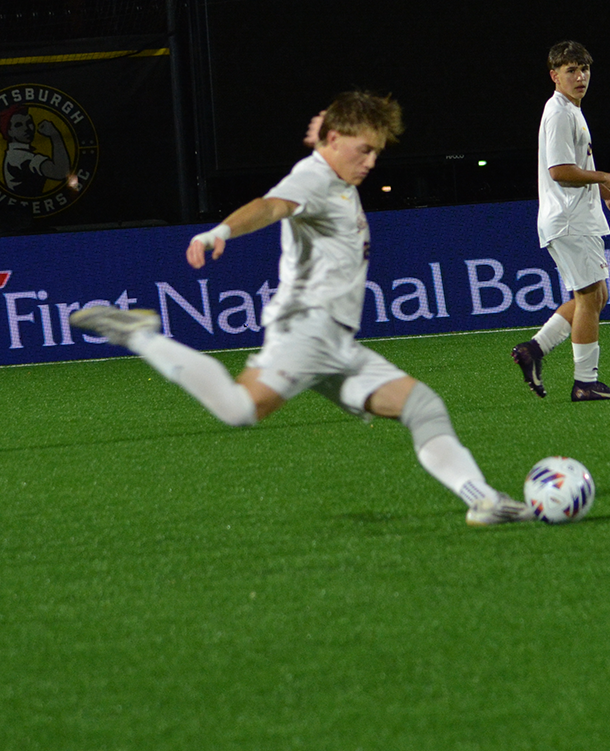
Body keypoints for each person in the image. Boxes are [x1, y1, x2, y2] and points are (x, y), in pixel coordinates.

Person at [70, 90, 533, 526]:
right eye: (364, 150)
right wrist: (220, 232)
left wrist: (327, 136)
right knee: (239, 409)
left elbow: (327, 152)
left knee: (422, 406)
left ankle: (484, 501)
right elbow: (271, 206)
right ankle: (138, 335)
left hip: (334, 341)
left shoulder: (331, 169)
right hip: (308, 331)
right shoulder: (313, 177)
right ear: (333, 139)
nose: (371, 162)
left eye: (376, 152)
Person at [512, 41, 610, 402]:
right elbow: (561, 171)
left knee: (596, 295)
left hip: (577, 216)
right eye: (571, 70)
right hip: (568, 219)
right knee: (589, 296)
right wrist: (604, 178)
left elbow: (577, 167)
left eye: (584, 69)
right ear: (554, 75)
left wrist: (606, 197)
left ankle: (534, 350)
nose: (580, 77)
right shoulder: (560, 113)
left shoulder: (571, 110)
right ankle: (585, 382)